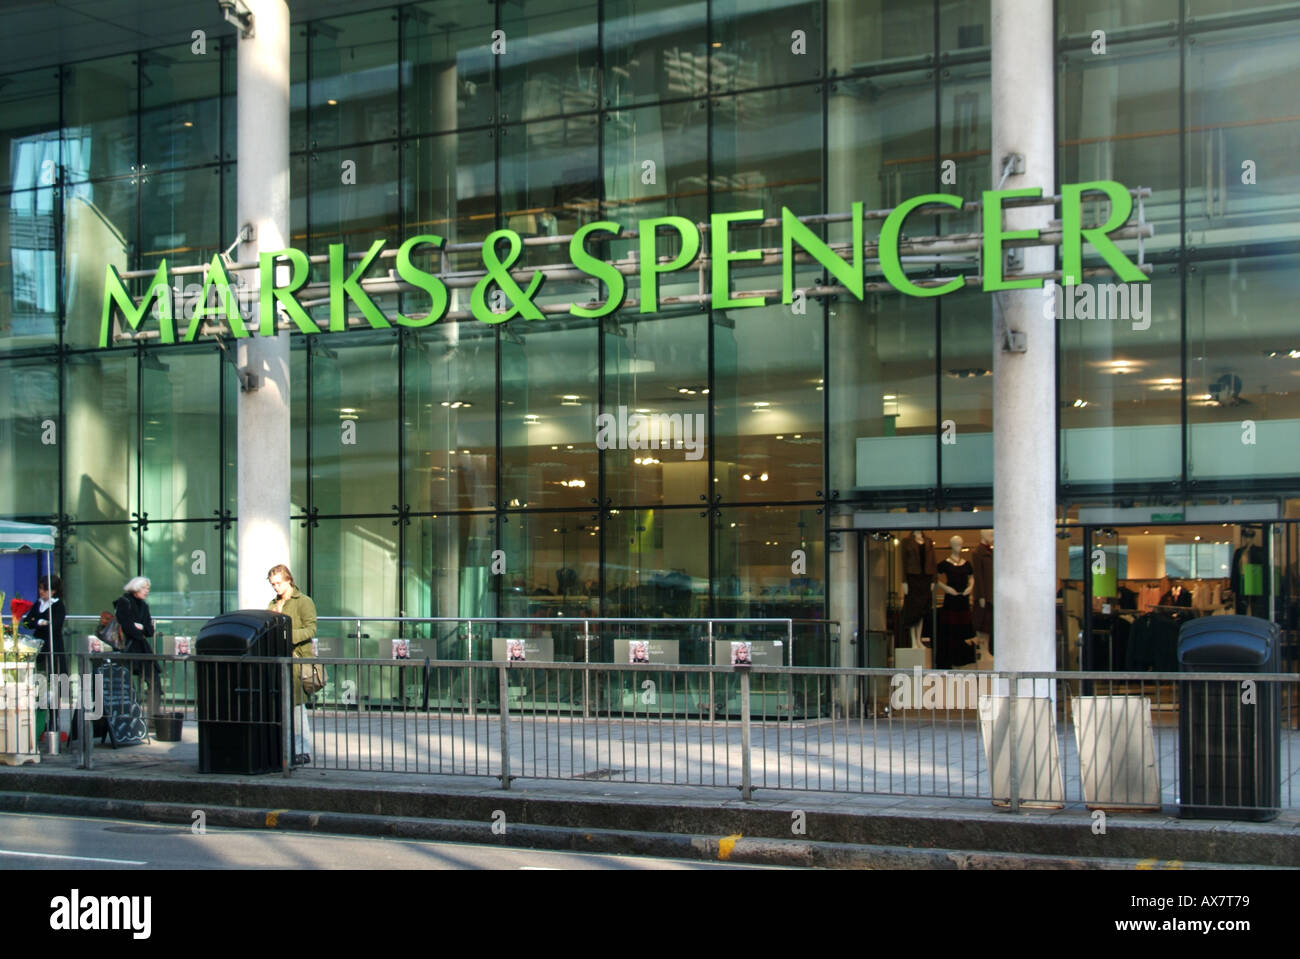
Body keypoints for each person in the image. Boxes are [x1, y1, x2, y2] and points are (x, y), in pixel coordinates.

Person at [268, 564, 317, 767]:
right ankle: (286, 749)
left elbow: (310, 629)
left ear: (289, 580)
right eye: (273, 584)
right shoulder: (273, 604)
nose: (276, 588)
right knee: (282, 706)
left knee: (297, 706)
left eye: (279, 583)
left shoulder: (303, 602)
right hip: (278, 661)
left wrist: (287, 636)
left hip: (296, 660)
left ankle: (302, 749)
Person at [114, 576, 161, 723]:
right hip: (127, 648)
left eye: (147, 589)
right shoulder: (124, 602)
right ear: (136, 588)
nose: (147, 591)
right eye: (144, 588)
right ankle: (129, 719)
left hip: (142, 648)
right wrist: (138, 628)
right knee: (127, 684)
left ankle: (153, 719)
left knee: (154, 681)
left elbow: (149, 630)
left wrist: (139, 627)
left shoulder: (144, 605)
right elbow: (126, 626)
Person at [23, 575, 67, 676]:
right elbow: (26, 623)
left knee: (56, 673)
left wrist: (35, 621)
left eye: (45, 589)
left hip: (53, 644)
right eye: (40, 588)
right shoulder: (38, 603)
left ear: (53, 591)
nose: (41, 591)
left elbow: (54, 626)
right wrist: (39, 622)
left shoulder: (58, 606)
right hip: (38, 644)